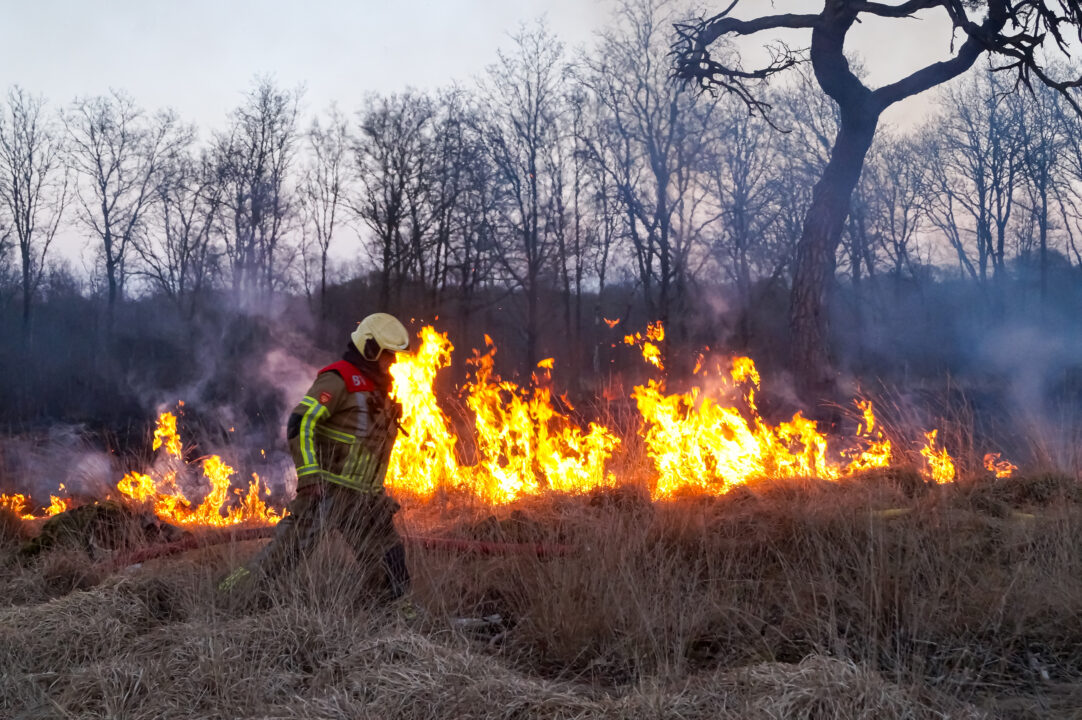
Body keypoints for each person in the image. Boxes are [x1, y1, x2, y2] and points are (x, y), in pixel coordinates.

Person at [220, 313, 411, 600]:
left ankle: (391, 613)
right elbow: (301, 423)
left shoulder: (377, 389)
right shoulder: (339, 379)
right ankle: (230, 593)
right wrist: (310, 477)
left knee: (389, 557)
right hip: (327, 492)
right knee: (284, 556)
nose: (392, 362)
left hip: (366, 498)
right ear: (370, 348)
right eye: (388, 355)